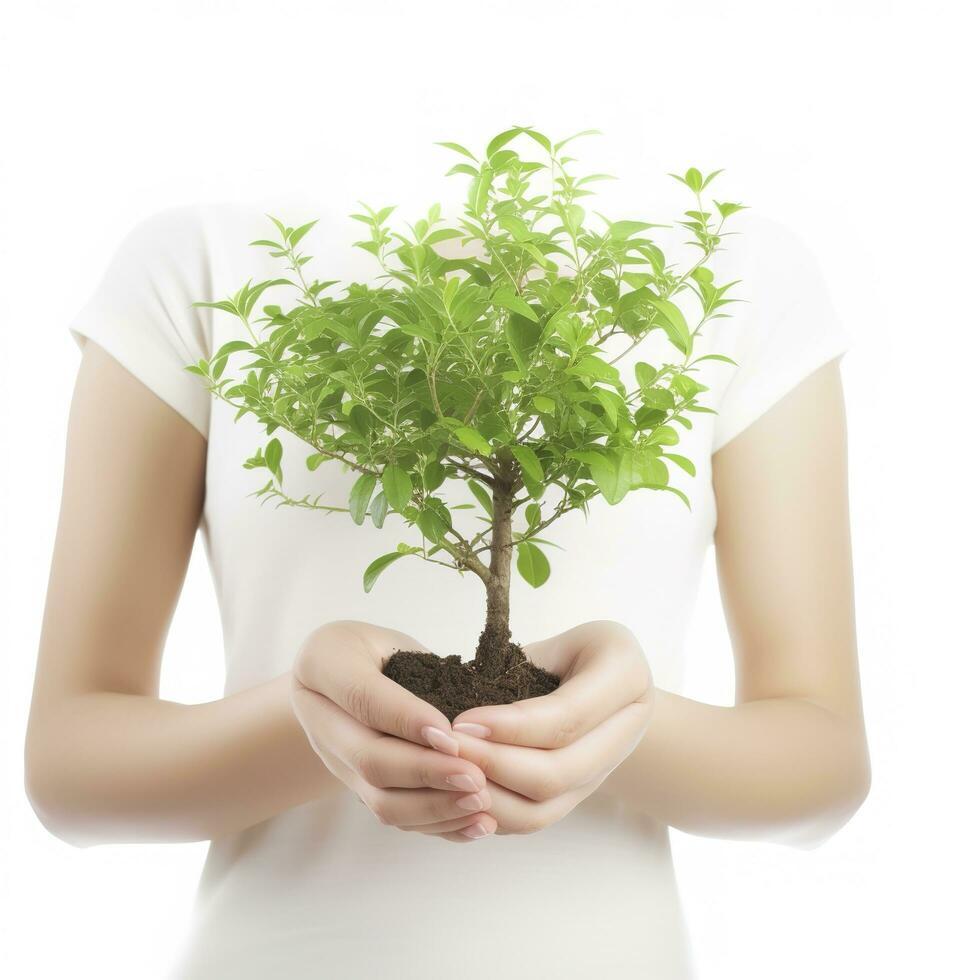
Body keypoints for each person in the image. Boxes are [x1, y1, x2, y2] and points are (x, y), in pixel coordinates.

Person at [24, 195, 871, 979]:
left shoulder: (731, 263)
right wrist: (314, 714)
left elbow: (824, 768)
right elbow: (70, 766)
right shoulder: (197, 247)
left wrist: (614, 720)